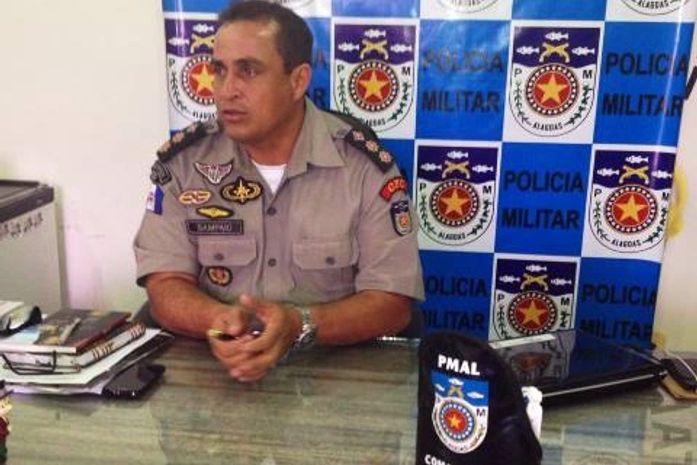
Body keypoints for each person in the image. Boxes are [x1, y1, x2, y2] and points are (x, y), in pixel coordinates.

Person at [133, 0, 423, 383]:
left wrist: (300, 324)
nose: (226, 90)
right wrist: (219, 321)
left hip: (333, 376)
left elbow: (392, 302)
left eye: (249, 71)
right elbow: (165, 284)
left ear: (298, 81)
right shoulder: (184, 165)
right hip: (216, 372)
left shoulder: (365, 169)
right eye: (219, 70)